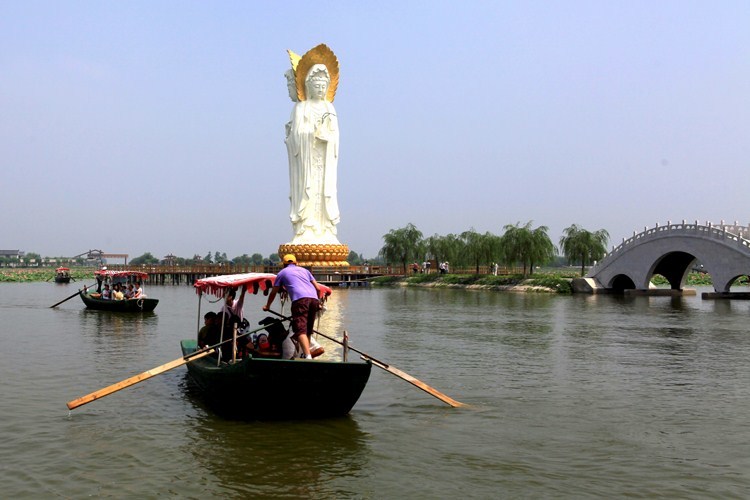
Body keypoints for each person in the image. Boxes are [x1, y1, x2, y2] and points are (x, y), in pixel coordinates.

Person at [285, 56, 341, 245]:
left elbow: (335, 136)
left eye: (323, 86)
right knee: (307, 192)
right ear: (308, 86)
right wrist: (311, 133)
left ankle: (326, 230)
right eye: (316, 86)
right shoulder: (302, 108)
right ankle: (305, 229)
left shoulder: (329, 107)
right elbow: (298, 134)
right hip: (308, 159)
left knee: (325, 192)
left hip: (324, 159)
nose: (320, 89)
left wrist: (328, 136)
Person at [262, 254, 327, 359]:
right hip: (314, 299)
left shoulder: (282, 273)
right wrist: (318, 303)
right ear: (296, 263)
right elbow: (318, 289)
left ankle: (308, 357)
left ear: (284, 264)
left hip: (300, 300)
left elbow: (273, 292)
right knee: (308, 331)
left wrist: (267, 306)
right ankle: (306, 354)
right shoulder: (305, 271)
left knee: (299, 330)